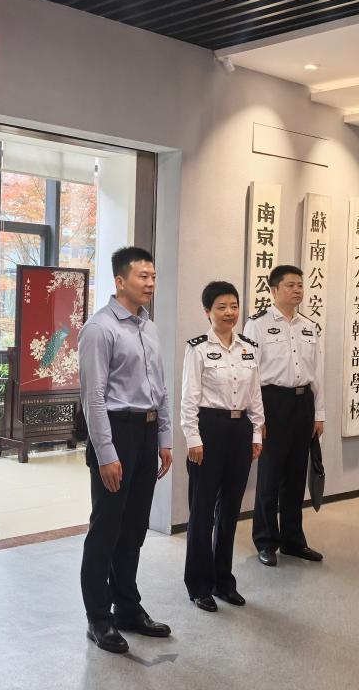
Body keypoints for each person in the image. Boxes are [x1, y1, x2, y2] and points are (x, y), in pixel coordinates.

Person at [78, 246, 173, 654]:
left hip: (146, 433)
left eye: (153, 276)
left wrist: (164, 438)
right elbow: (93, 397)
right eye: (142, 276)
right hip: (116, 432)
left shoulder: (149, 327)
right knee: (106, 530)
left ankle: (128, 608)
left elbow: (161, 388)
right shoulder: (100, 328)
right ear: (120, 281)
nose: (150, 283)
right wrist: (106, 453)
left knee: (133, 528)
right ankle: (98, 618)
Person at [181, 281, 263, 612]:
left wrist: (256, 435)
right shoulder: (198, 348)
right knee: (202, 512)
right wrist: (193, 438)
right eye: (221, 307)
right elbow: (189, 398)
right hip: (209, 430)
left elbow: (255, 396)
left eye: (233, 306)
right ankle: (199, 584)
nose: (229, 312)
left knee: (230, 509)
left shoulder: (249, 348)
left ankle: (223, 581)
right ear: (208, 312)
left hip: (240, 430)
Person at [244, 264, 325, 567]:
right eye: (290, 285)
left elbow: (318, 372)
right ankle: (266, 540)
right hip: (272, 403)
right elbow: (250, 373)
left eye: (300, 285)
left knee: (295, 475)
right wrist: (257, 418)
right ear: (274, 290)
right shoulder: (257, 325)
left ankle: (293, 540)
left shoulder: (310, 326)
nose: (297, 290)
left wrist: (319, 414)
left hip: (303, 404)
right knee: (270, 476)